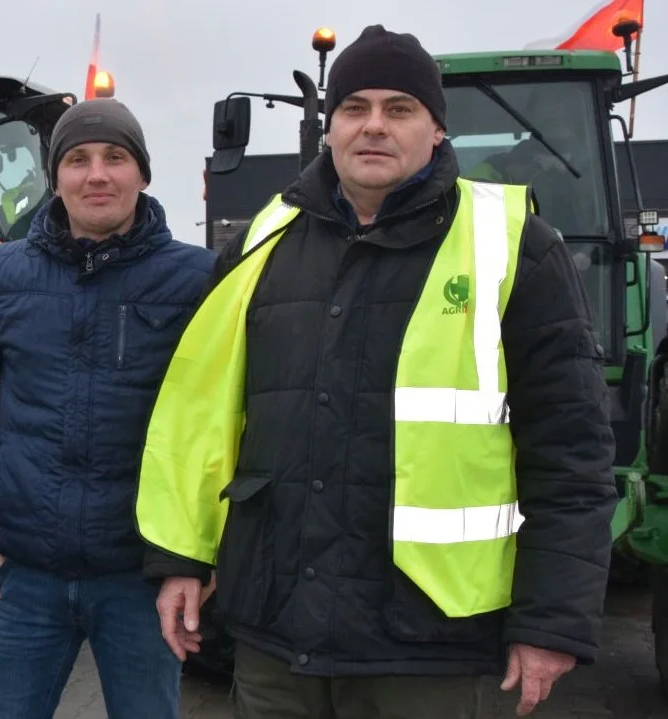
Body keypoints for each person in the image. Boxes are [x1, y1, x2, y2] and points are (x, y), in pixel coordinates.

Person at [136, 25, 617, 719]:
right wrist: (182, 557)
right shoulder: (263, 241)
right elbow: (203, 416)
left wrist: (551, 622)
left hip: (432, 650)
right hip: (282, 641)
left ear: (437, 130)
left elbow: (571, 454)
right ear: (329, 129)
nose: (374, 127)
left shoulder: (515, 249)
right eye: (355, 108)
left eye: (399, 109)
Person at [0, 98, 214, 718]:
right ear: (56, 177)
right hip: (27, 581)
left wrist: (196, 556)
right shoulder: (3, 277)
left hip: (141, 579)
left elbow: (223, 423)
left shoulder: (195, 281)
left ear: (143, 174)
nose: (96, 174)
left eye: (115, 157)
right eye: (78, 159)